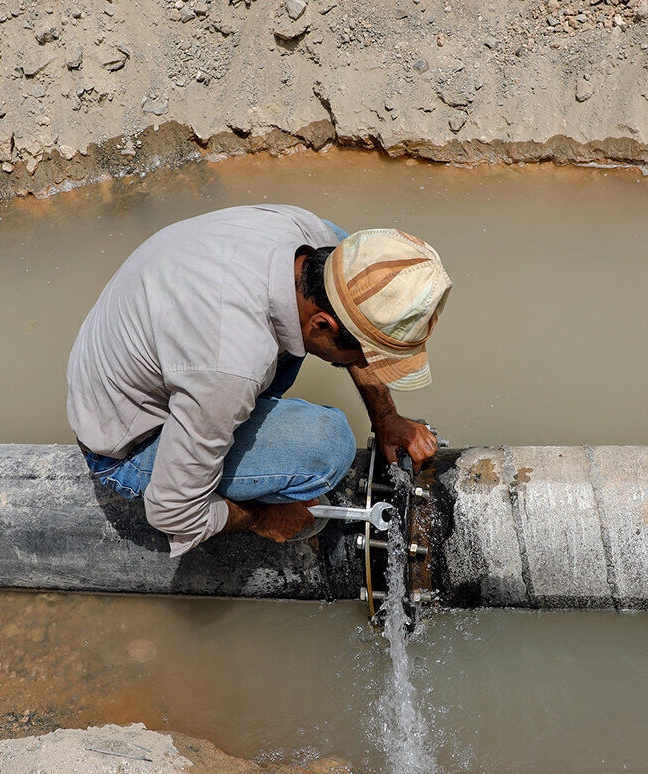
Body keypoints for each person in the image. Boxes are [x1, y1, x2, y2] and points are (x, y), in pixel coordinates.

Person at [67, 204, 452, 556]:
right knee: (328, 447)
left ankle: (212, 427)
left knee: (338, 244)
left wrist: (385, 418)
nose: (371, 367)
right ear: (323, 323)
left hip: (154, 352)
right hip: (128, 443)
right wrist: (261, 520)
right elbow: (171, 512)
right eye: (369, 357)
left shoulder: (315, 239)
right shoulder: (228, 363)